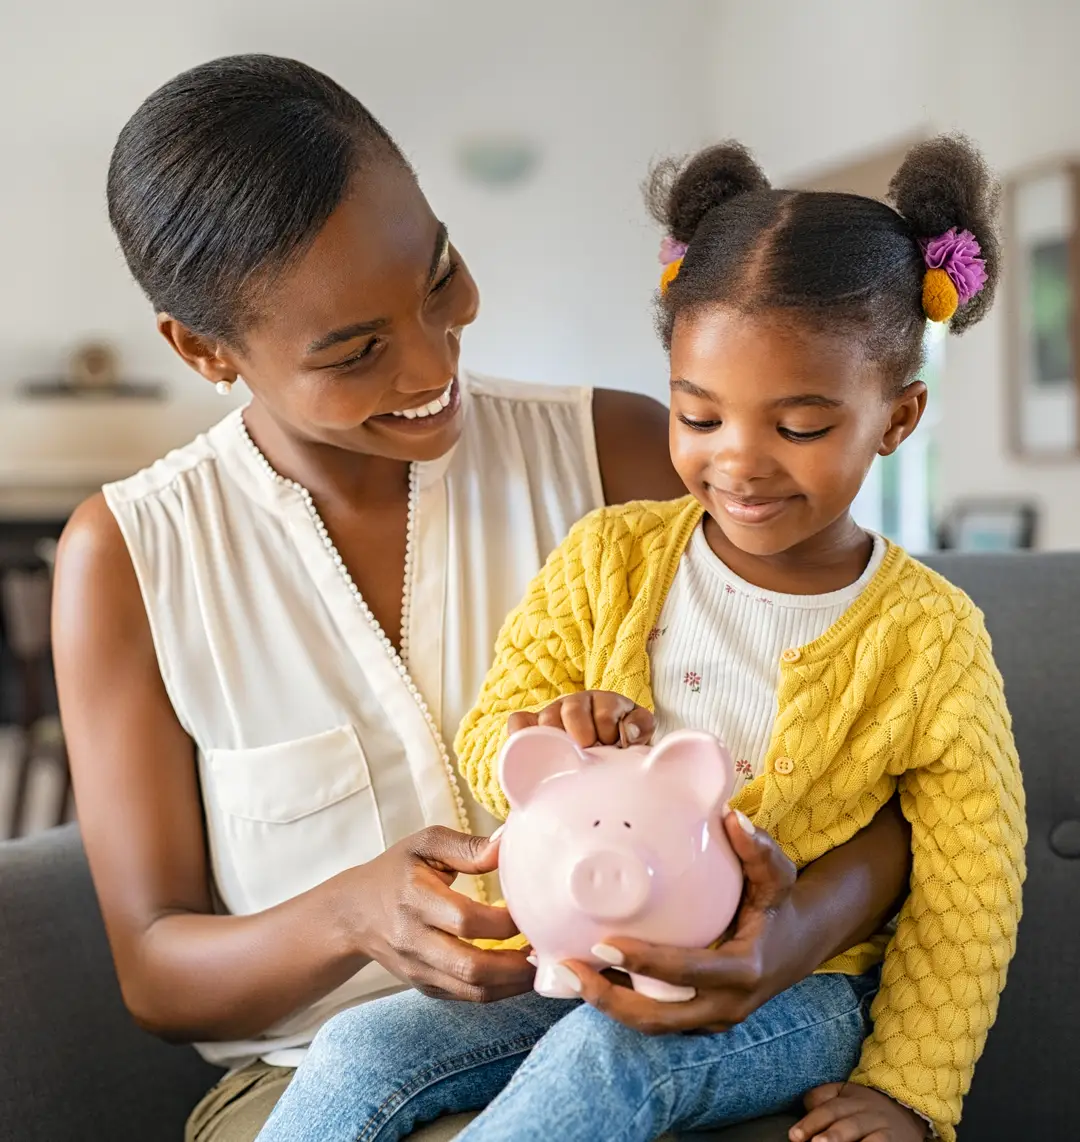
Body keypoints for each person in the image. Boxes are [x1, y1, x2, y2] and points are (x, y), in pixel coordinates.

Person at [52, 55, 912, 1142]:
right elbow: (156, 969)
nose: (430, 361)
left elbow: (892, 767)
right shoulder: (130, 555)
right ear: (203, 350)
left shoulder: (628, 453)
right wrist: (347, 914)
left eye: (439, 274)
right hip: (316, 1077)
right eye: (356, 350)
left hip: (660, 1036)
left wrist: (787, 938)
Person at [255, 137, 1025, 1142]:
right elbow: (496, 733)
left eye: (798, 427)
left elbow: (974, 882)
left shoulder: (929, 638)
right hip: (579, 948)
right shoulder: (611, 556)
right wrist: (557, 737)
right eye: (699, 415)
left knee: (602, 1063)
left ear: (897, 416)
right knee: (362, 1050)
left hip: (801, 993)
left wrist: (913, 1088)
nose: (738, 461)